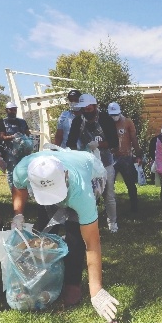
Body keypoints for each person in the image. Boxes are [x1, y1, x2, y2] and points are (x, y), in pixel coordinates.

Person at [10, 150, 120, 317]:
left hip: (92, 174)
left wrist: (96, 290)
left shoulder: (82, 191)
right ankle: (47, 276)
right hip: (57, 173)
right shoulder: (23, 169)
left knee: (75, 235)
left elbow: (91, 242)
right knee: (45, 230)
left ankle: (72, 282)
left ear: (66, 176)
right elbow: (19, 187)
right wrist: (18, 213)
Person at [67, 94, 120, 232]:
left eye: (89, 108)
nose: (86, 111)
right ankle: (89, 222)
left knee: (109, 194)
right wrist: (75, 153)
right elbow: (70, 143)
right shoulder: (78, 121)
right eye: (83, 109)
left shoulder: (106, 120)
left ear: (95, 107)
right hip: (87, 164)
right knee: (89, 194)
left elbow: (114, 142)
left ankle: (112, 222)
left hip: (105, 162)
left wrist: (99, 144)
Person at [108, 102, 142, 213]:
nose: (114, 117)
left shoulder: (127, 122)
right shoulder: (107, 123)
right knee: (108, 184)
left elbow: (134, 139)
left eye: (116, 114)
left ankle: (134, 207)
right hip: (111, 157)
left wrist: (138, 155)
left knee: (130, 183)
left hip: (126, 157)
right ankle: (109, 207)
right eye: (112, 115)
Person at [0, 101, 31, 191]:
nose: (13, 111)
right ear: (6, 110)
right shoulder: (3, 122)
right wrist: (13, 137)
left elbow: (28, 133)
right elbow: (1, 136)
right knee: (11, 171)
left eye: (14, 110)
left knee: (24, 169)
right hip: (10, 150)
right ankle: (13, 190)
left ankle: (24, 190)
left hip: (23, 150)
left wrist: (25, 139)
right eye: (11, 110)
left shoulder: (22, 122)